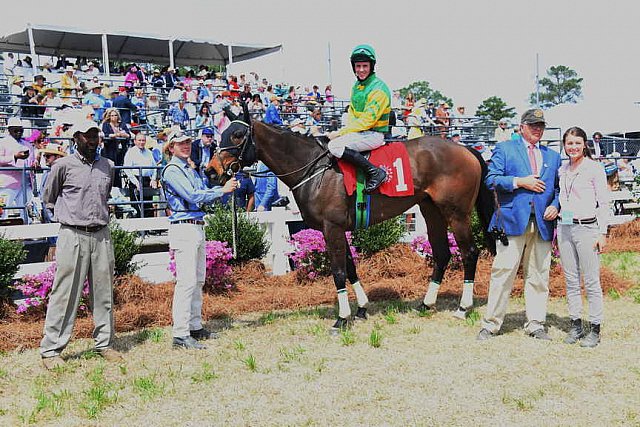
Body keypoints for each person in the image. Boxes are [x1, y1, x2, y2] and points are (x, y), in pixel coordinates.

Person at [39, 118, 124, 370]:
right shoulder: (63, 166)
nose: (92, 140)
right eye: (87, 136)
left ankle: (104, 344)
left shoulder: (107, 166)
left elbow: (105, 195)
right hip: (72, 234)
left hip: (101, 234)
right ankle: (51, 349)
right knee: (64, 293)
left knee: (104, 292)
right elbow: (49, 197)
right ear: (76, 137)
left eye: (95, 135)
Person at [477, 108, 561, 341]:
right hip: (512, 221)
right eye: (533, 125)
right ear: (521, 127)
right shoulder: (505, 149)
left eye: (541, 125)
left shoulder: (553, 156)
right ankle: (491, 324)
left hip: (543, 223)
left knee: (539, 275)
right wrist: (519, 182)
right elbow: (491, 179)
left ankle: (535, 323)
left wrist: (555, 205)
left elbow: (557, 189)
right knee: (503, 272)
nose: (537, 129)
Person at [161, 130, 237, 350]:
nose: (186, 146)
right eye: (180, 143)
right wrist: (222, 191)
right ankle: (180, 333)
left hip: (195, 226)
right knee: (186, 282)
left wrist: (222, 187)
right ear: (171, 148)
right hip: (184, 227)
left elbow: (201, 191)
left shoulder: (189, 169)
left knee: (198, 279)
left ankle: (194, 326)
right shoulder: (173, 170)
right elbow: (193, 196)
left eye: (187, 142)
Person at [557, 127, 609, 348]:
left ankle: (595, 328)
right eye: (569, 143)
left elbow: (604, 202)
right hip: (565, 227)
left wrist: (602, 232)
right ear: (564, 145)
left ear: (585, 144)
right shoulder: (562, 169)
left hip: (587, 229)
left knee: (591, 281)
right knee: (570, 279)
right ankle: (575, 324)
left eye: (577, 143)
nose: (573, 147)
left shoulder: (594, 168)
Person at [326, 44, 390, 193]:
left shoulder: (378, 89)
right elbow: (353, 113)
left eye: (365, 66)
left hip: (373, 134)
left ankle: (375, 172)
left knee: (334, 146)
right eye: (358, 66)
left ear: (371, 66)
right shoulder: (357, 86)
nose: (361, 70)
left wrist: (341, 133)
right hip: (361, 132)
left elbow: (368, 121)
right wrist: (346, 131)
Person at [0, 117, 34, 222]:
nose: (19, 132)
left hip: (26, 182)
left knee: (27, 211)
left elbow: (32, 160)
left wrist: (34, 164)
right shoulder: (3, 142)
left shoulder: (27, 144)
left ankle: (28, 233)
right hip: (8, 182)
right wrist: (14, 157)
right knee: (3, 210)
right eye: (16, 130)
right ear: (9, 130)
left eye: (21, 130)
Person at [123, 132, 159, 218]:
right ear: (135, 141)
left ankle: (149, 229)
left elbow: (154, 167)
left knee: (148, 205)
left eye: (143, 140)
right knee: (137, 206)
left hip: (147, 180)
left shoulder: (149, 152)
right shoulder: (130, 152)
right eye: (139, 140)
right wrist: (136, 182)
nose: (141, 142)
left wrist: (153, 179)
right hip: (135, 180)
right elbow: (127, 169)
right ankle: (139, 230)